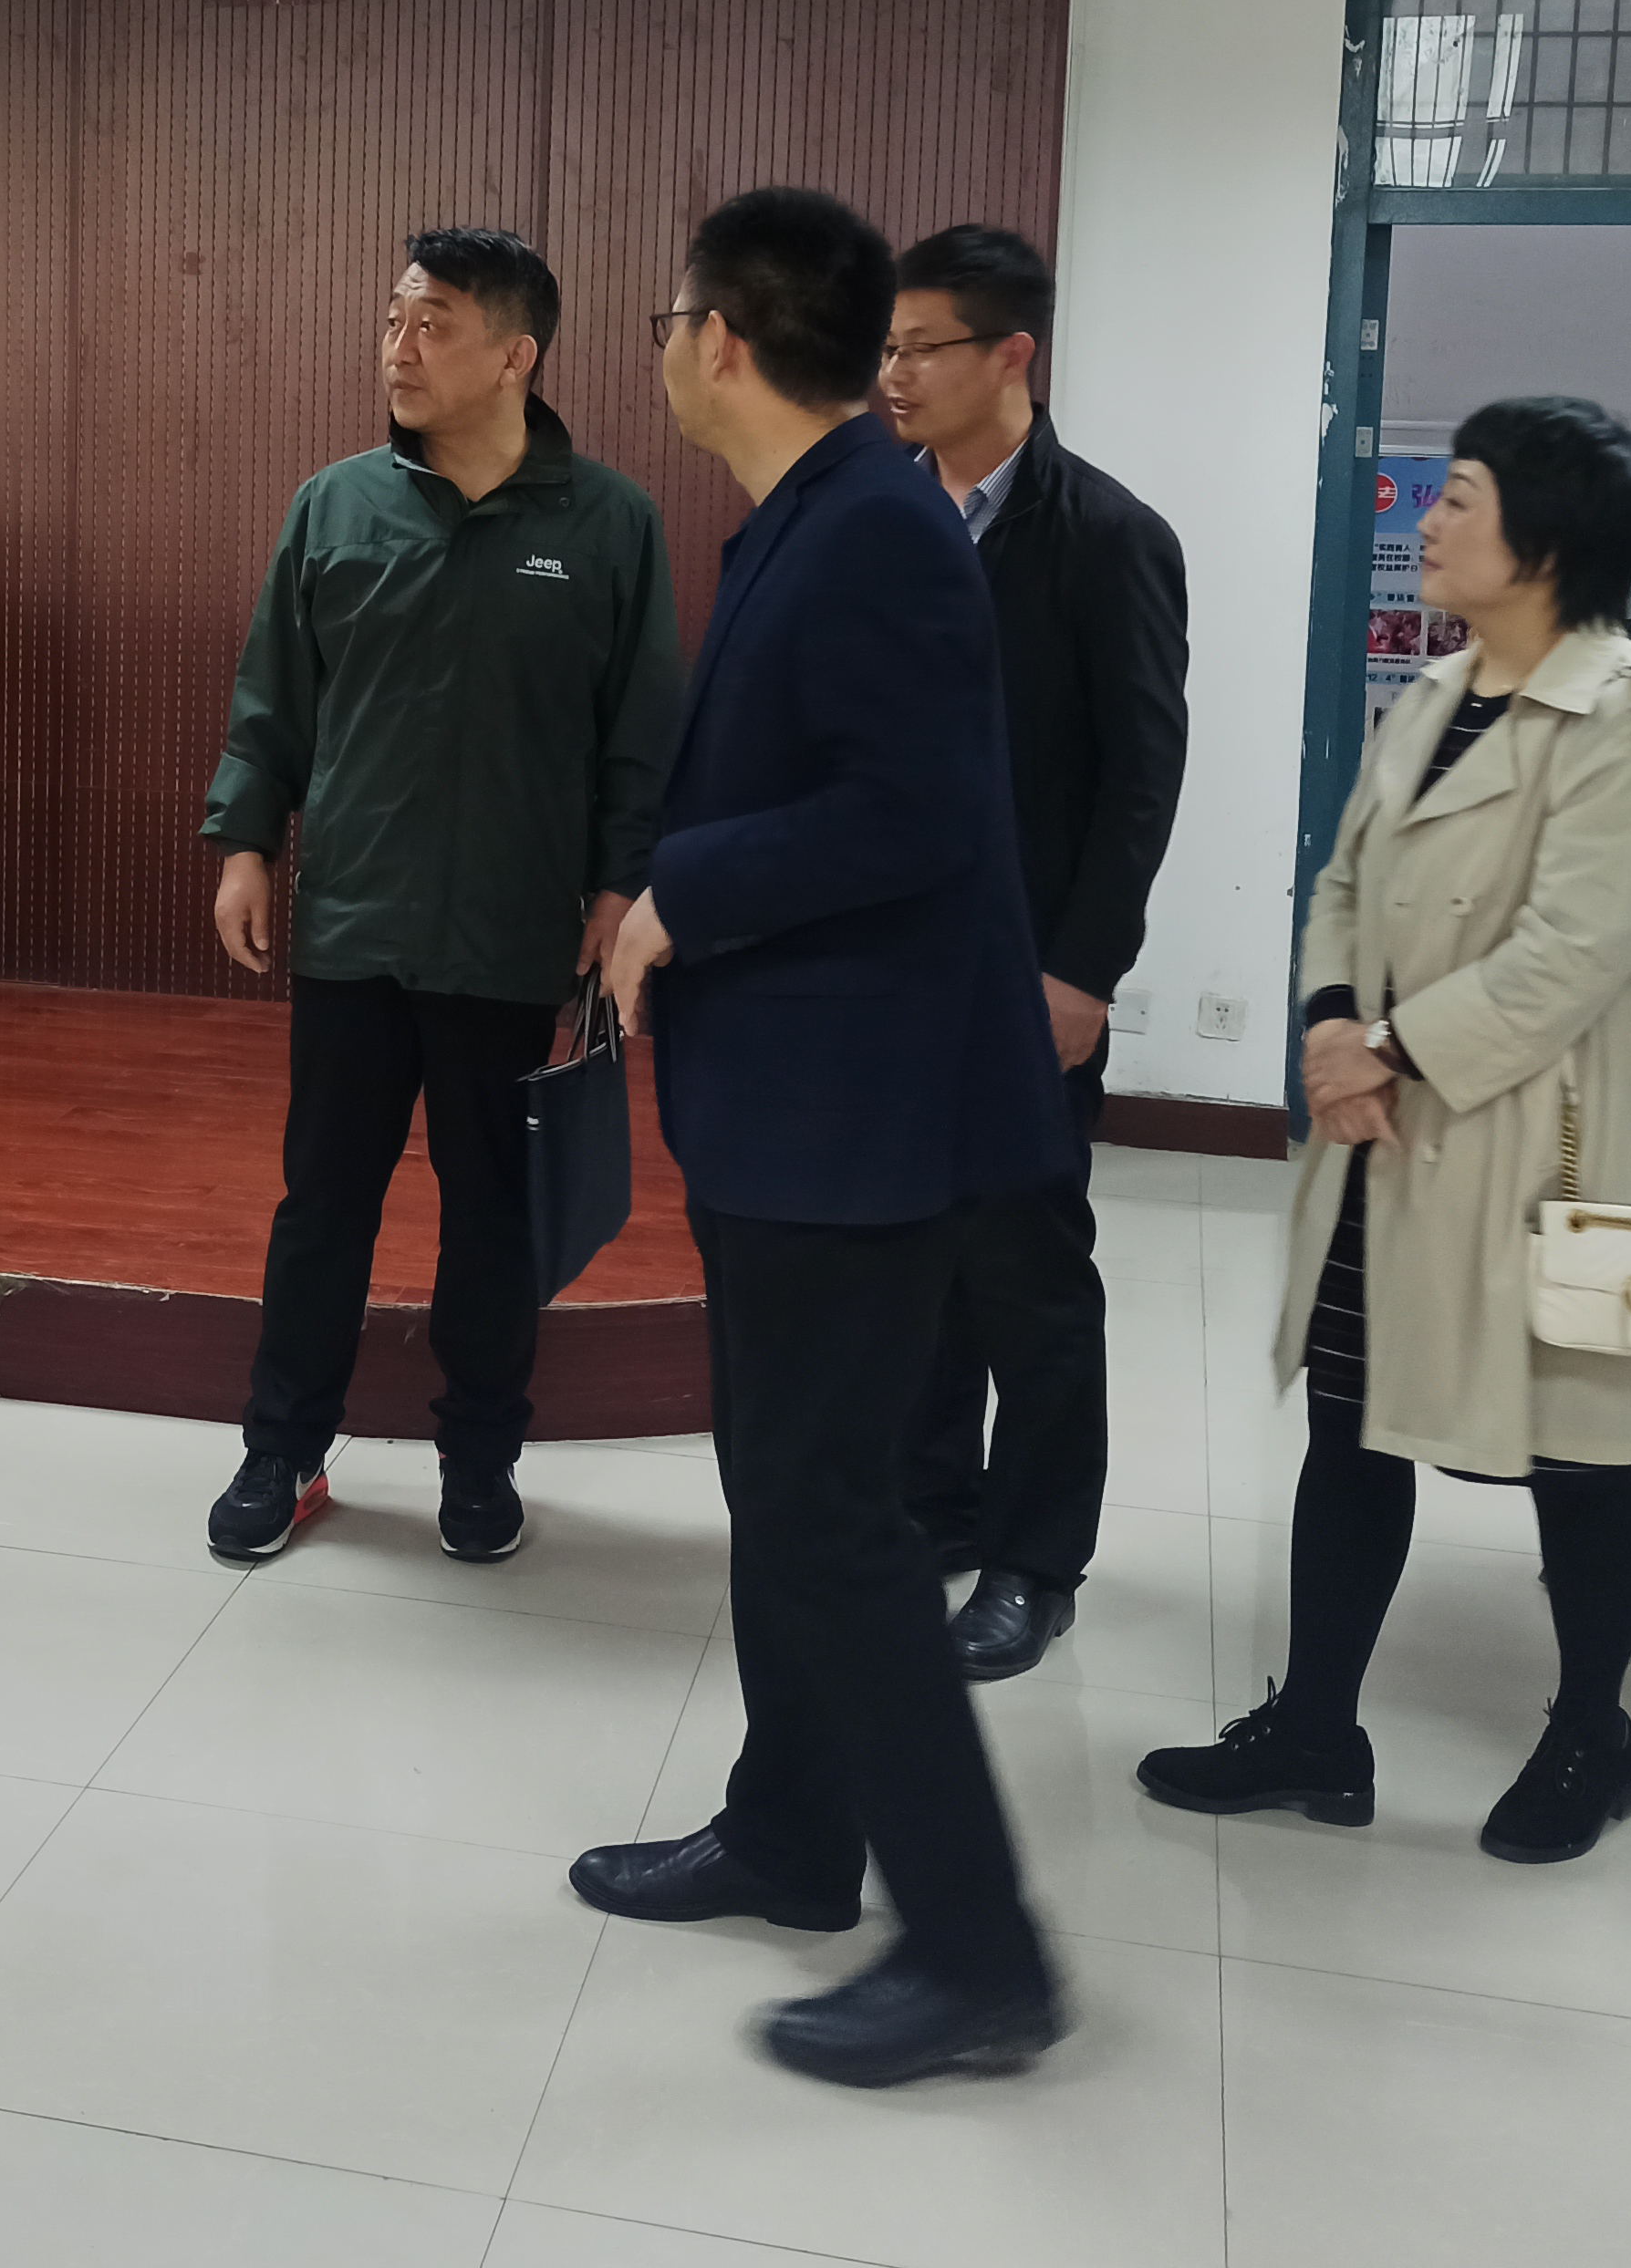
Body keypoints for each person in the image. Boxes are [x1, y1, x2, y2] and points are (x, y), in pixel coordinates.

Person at [575, 187, 1071, 2089]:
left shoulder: (871, 526)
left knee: (835, 1519)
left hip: (858, 1123)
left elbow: (912, 814)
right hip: (803, 1104)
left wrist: (681, 895)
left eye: (665, 316)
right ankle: (789, 1831)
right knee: (788, 1493)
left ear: (718, 339)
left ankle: (979, 1953)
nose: (660, 345)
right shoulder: (814, 509)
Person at [1138, 399, 1631, 1867]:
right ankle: (1316, 1726)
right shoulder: (1438, 691)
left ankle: (1591, 1736)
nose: (1428, 521)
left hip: (1538, 1158)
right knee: (1351, 1425)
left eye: (1460, 497)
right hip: (1387, 1138)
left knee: (1581, 1462)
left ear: (1547, 540)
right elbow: (1344, 878)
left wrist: (1382, 1051)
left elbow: (1569, 957)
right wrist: (1336, 1020)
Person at [199, 228, 682, 1569]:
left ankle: (481, 1458)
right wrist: (244, 842)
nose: (399, 349)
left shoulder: (609, 524)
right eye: (394, 318)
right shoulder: (335, 506)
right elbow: (272, 695)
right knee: (322, 1205)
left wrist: (619, 884)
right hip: (354, 923)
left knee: (493, 1217)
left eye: (435, 324)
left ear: (517, 355)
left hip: (513, 936)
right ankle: (283, 1450)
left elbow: (642, 732)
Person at [878, 224, 1189, 1678]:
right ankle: (935, 1501)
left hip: (1025, 978)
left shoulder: (1108, 536)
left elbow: (1141, 777)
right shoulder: (879, 516)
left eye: (920, 348)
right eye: (885, 349)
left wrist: (1084, 973)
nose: (893, 375)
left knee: (1029, 1275)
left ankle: (1035, 1559)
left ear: (1013, 354)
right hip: (888, 970)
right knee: (918, 1262)